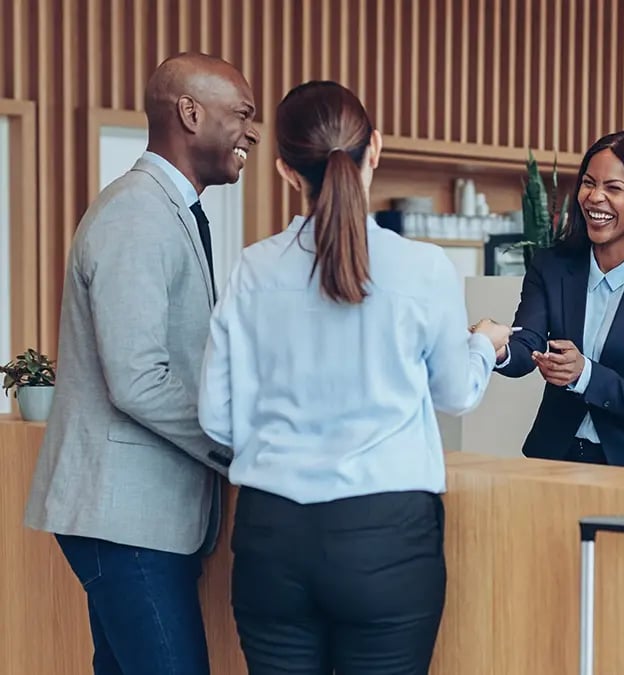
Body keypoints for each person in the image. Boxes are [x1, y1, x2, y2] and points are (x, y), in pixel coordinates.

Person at [197, 80, 510, 674]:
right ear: (376, 149)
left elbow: (215, 417)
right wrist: (483, 346)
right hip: (387, 540)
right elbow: (455, 393)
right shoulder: (423, 268)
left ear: (286, 170)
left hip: (272, 536)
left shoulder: (253, 269)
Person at [22, 53, 258, 674]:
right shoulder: (137, 213)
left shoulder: (167, 210)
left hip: (138, 520)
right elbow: (137, 378)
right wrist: (240, 444)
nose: (251, 132)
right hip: (125, 521)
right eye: (242, 114)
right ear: (190, 113)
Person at [488, 129, 624, 470]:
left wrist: (585, 374)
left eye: (613, 188)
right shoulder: (552, 266)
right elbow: (527, 343)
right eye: (588, 183)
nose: (594, 197)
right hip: (557, 460)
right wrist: (496, 348)